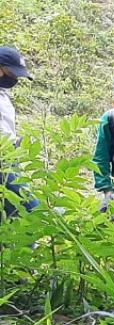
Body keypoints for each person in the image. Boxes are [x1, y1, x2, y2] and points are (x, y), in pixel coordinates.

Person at [1, 46, 38, 218]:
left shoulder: (3, 95)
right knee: (31, 209)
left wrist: (15, 142)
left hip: (10, 157)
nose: (15, 78)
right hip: (3, 161)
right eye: (12, 73)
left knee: (10, 216)